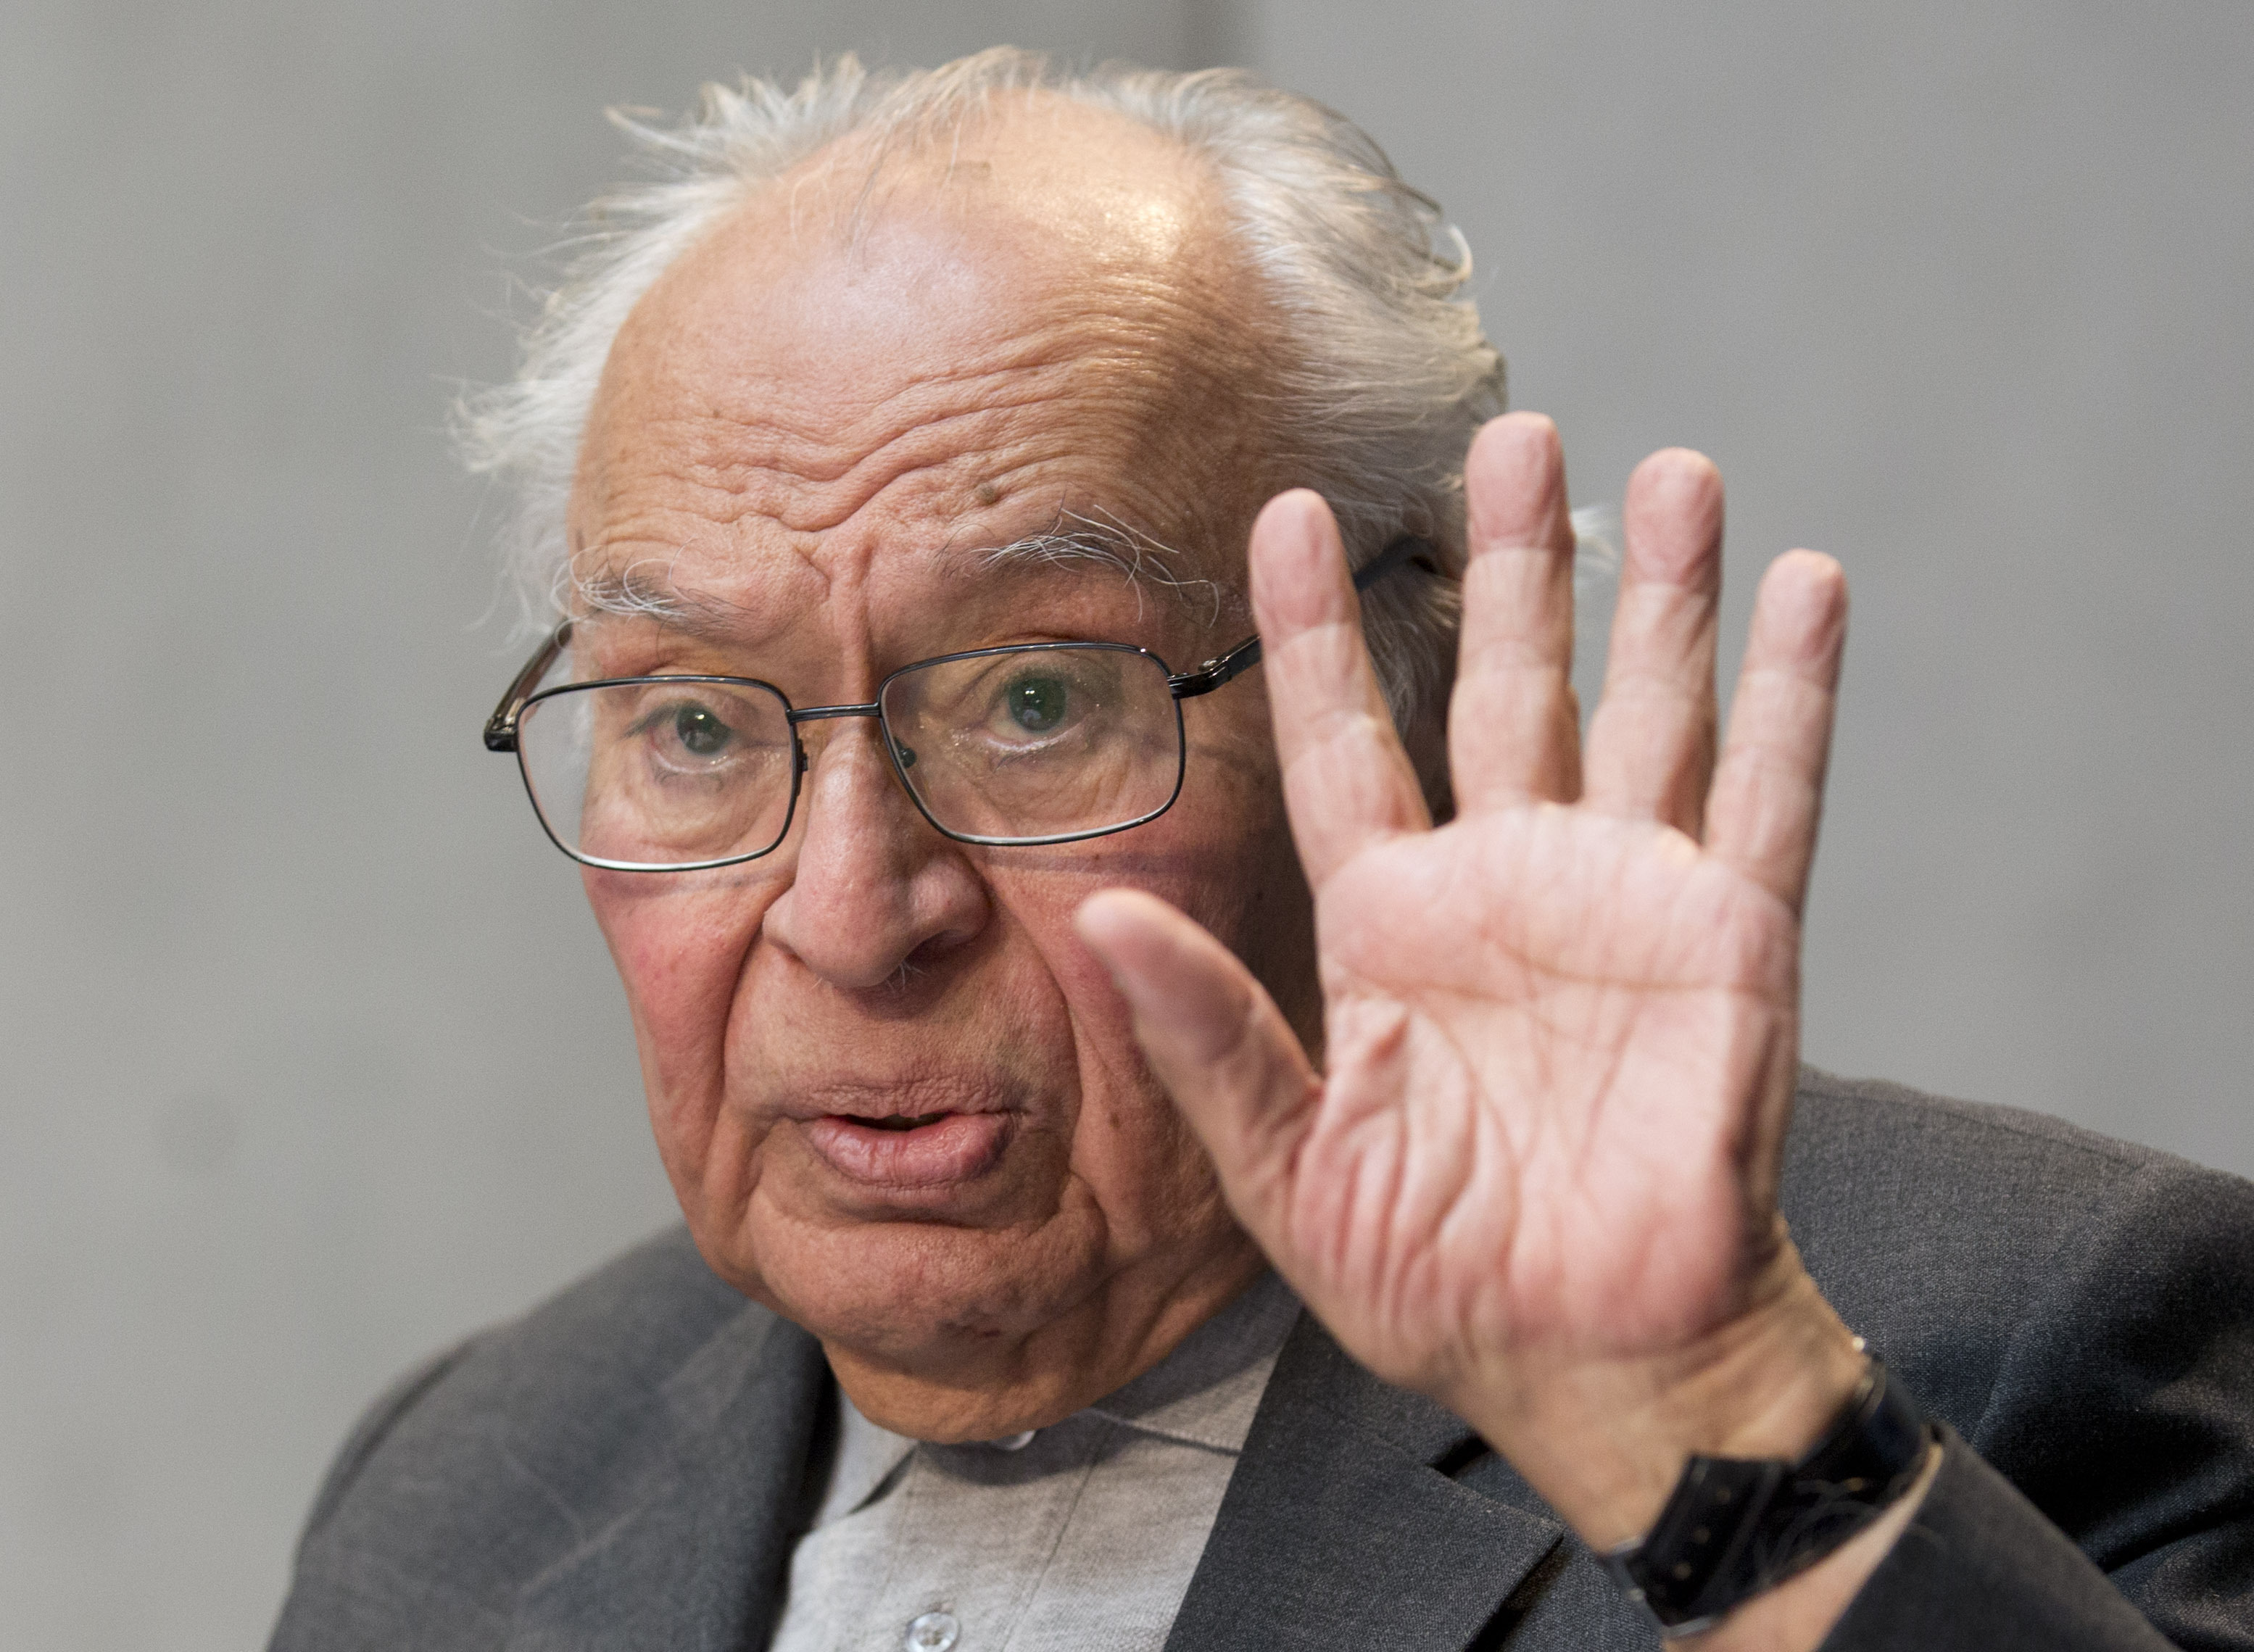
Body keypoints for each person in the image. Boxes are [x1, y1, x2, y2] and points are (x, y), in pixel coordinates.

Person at [269, 50, 2253, 1651]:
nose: (861, 915)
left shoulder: (2027, 1340)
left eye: (1040, 701)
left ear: (1412, 707)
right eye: (696, 725)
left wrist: (1707, 1415)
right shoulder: (476, 1481)